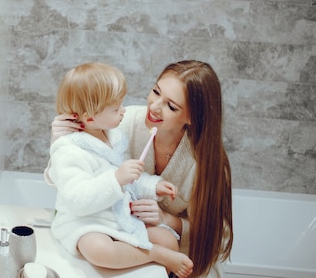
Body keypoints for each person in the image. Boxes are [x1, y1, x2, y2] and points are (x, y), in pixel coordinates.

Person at [50, 60, 233, 278]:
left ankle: (157, 255)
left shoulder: (207, 162)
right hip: (110, 225)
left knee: (167, 241)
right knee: (102, 251)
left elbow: (217, 235)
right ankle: (152, 254)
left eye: (171, 106)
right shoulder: (119, 125)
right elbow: (74, 183)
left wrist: (166, 218)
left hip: (185, 259)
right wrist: (60, 141)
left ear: (192, 117)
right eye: (156, 92)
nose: (154, 107)